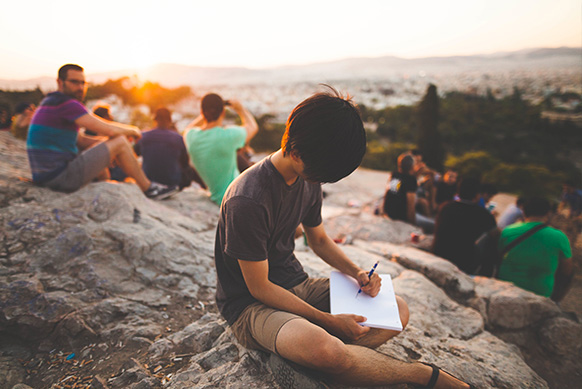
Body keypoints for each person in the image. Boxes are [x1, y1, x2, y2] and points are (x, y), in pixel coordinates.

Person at [215, 87, 472, 388]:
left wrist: (357, 273)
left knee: (397, 309)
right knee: (325, 348)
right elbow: (259, 287)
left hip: (298, 285)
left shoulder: (307, 176)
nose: (321, 181)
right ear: (295, 150)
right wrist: (328, 322)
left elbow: (320, 241)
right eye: (321, 174)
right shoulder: (248, 199)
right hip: (251, 306)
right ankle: (418, 375)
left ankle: (321, 361)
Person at [26, 64, 177, 200]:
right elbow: (109, 130)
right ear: (60, 82)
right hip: (59, 177)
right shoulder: (66, 103)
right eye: (74, 82)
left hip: (45, 176)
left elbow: (81, 140)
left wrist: (108, 150)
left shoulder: (50, 102)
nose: (80, 87)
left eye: (82, 83)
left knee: (112, 146)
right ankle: (149, 188)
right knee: (119, 142)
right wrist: (134, 131)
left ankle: (106, 187)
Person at [183, 93, 258, 205]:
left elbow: (189, 128)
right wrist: (240, 109)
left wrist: (204, 114)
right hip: (237, 196)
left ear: (202, 112)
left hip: (217, 196)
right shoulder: (228, 135)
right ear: (223, 113)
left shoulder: (190, 136)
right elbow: (253, 127)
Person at [498, 197, 573, 300]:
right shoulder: (559, 236)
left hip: (505, 289)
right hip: (540, 294)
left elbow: (497, 256)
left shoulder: (508, 231)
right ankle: (555, 303)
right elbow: (567, 270)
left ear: (523, 212)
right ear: (548, 213)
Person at [432, 177, 497, 274]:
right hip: (463, 262)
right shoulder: (483, 214)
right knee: (490, 240)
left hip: (438, 253)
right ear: (477, 195)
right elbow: (495, 233)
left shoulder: (445, 207)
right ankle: (485, 275)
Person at [134, 107, 199, 190]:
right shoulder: (178, 138)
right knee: (189, 170)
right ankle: (206, 188)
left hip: (148, 180)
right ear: (170, 121)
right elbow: (184, 163)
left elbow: (135, 153)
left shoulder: (143, 136)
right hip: (172, 181)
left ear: (155, 120)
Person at [383, 153, 435, 233]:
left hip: (390, 212)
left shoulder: (395, 175)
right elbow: (410, 206)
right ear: (412, 166)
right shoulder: (411, 180)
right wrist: (413, 224)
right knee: (433, 225)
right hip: (402, 216)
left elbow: (391, 193)